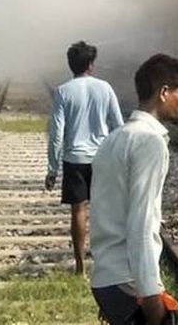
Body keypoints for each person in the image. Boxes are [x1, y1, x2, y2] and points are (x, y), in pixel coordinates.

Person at [90, 54, 178, 325]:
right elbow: (142, 224)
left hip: (107, 279)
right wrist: (151, 298)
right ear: (163, 92)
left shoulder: (114, 139)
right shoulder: (150, 143)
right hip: (128, 282)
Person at [45, 41, 124, 275]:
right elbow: (118, 125)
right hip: (101, 158)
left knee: (78, 211)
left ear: (71, 65)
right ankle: (103, 263)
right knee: (101, 211)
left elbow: (56, 133)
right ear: (91, 65)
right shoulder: (105, 88)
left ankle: (80, 267)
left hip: (74, 160)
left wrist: (52, 169)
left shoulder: (63, 91)